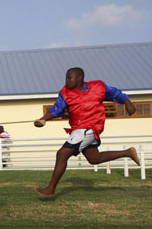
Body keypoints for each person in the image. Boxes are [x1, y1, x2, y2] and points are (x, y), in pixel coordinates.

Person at [34, 67, 140, 197]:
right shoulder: (65, 92)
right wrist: (43, 120)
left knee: (62, 154)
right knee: (94, 159)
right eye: (66, 77)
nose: (66, 80)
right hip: (80, 129)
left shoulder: (98, 87)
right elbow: (57, 109)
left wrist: (127, 102)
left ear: (79, 78)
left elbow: (115, 93)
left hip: (89, 127)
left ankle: (50, 189)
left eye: (69, 77)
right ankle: (128, 152)